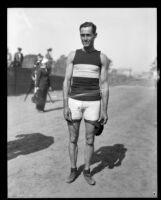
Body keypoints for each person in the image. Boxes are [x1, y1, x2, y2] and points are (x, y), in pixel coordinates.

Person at [63, 22, 111, 185]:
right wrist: (65, 105)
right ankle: (72, 169)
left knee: (90, 139)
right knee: (73, 138)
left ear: (95, 35)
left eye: (88, 35)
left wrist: (104, 110)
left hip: (93, 103)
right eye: (82, 35)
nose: (85, 38)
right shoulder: (73, 56)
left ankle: (87, 171)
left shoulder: (101, 58)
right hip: (74, 101)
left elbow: (104, 84)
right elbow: (66, 81)